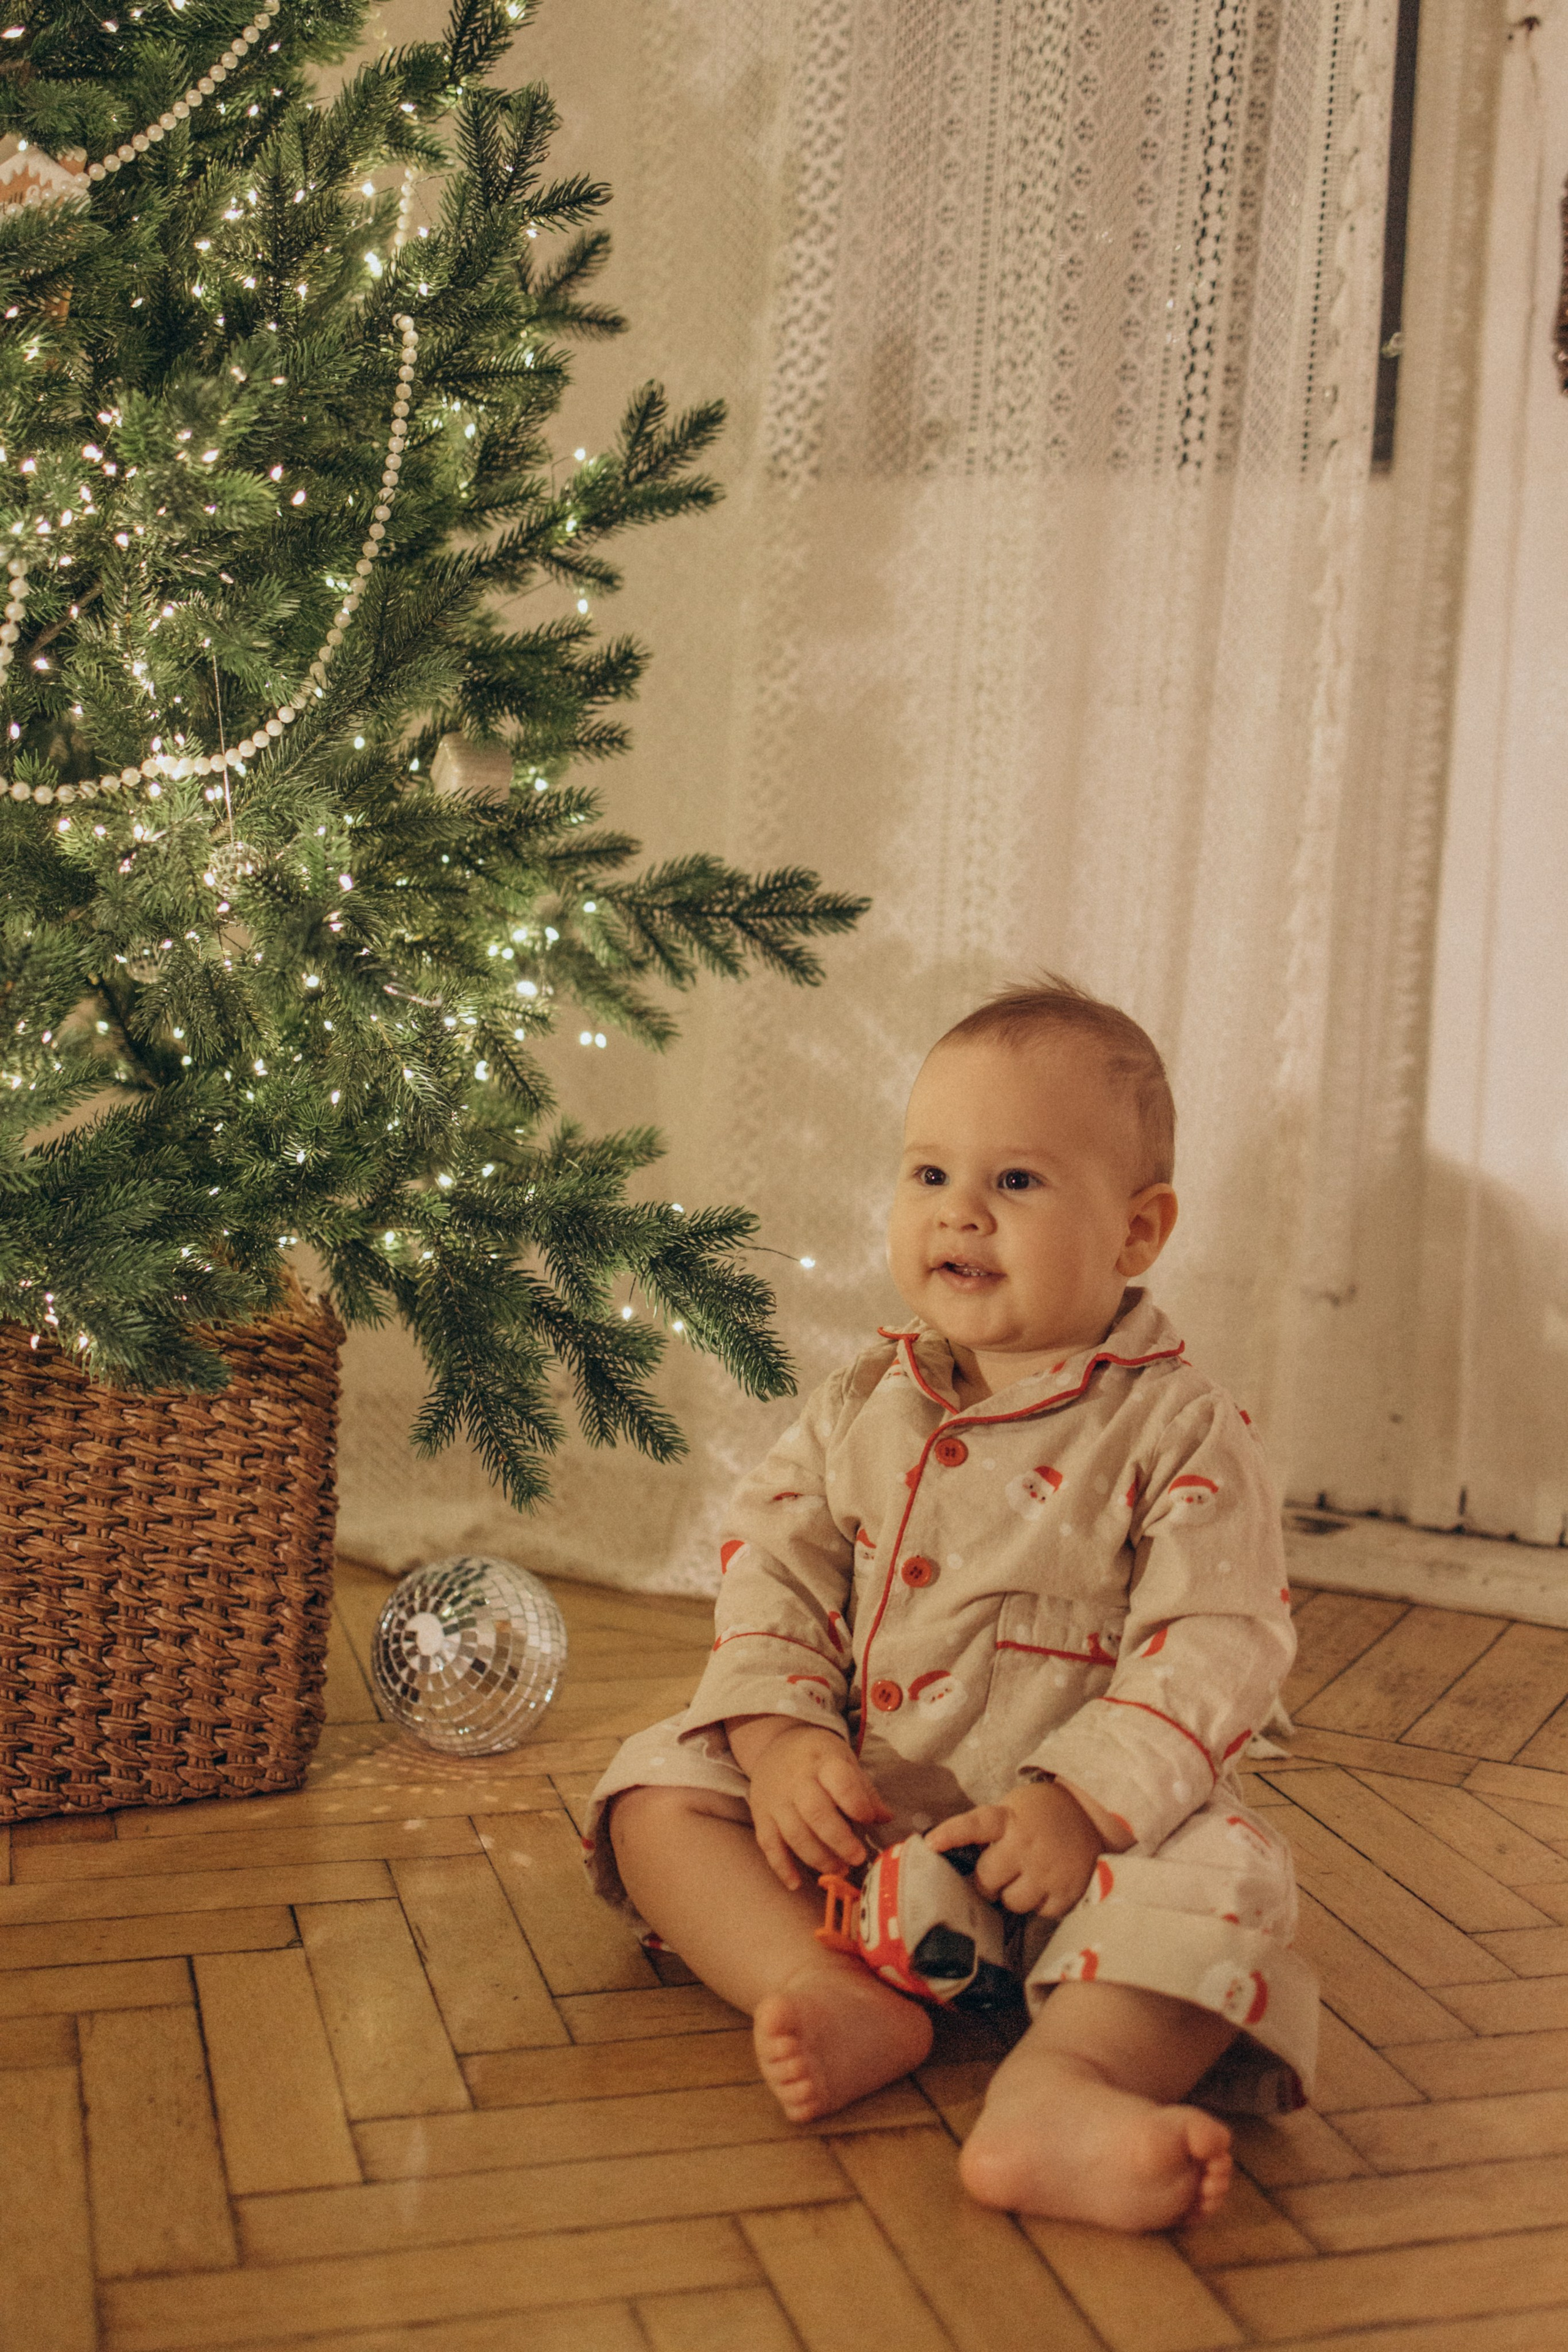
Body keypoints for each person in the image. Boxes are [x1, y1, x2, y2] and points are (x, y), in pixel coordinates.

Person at [584, 979, 1317, 2232]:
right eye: (928, 1174)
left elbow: (1219, 1640)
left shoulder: (1180, 1429)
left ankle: (1063, 2086)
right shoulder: (863, 1400)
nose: (959, 1212)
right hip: (863, 1827)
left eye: (1016, 1181)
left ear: (1137, 1231)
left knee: (1226, 1890)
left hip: (1089, 1854)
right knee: (654, 1792)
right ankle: (824, 1985)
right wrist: (779, 1739)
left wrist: (1085, 1803)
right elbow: (773, 1566)